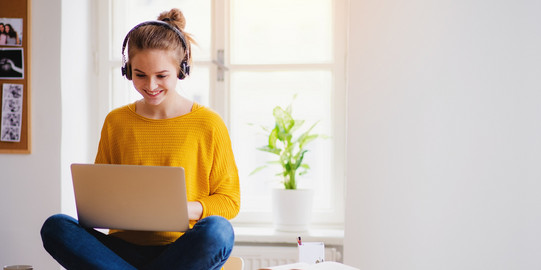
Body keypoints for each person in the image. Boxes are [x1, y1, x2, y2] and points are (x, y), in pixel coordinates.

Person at [40, 8, 240, 270]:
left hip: (182, 250)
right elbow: (99, 198)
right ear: (128, 70)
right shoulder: (116, 122)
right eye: (140, 75)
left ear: (181, 69)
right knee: (56, 227)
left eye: (161, 75)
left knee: (219, 230)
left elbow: (230, 201)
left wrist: (180, 210)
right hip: (119, 252)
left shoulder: (208, 124)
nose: (151, 85)